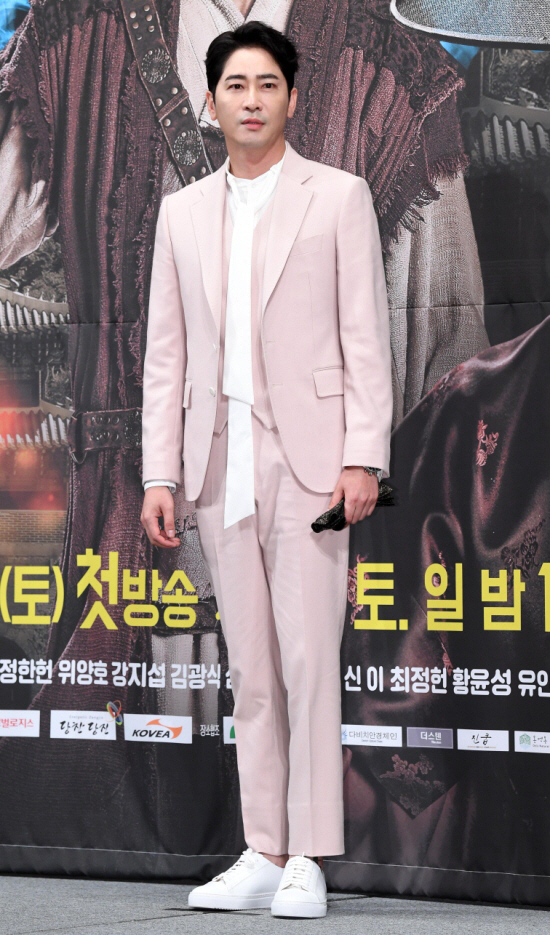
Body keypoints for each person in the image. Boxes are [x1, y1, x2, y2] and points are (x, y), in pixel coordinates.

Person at [140, 21, 393, 919]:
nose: (251, 101)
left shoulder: (339, 196)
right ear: (210, 103)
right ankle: (262, 847)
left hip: (315, 462)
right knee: (249, 665)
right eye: (235, 86)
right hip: (218, 461)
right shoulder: (181, 213)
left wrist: (365, 456)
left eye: (268, 85)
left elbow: (367, 336)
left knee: (309, 658)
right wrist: (159, 472)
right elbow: (164, 355)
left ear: (292, 97)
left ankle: (309, 856)